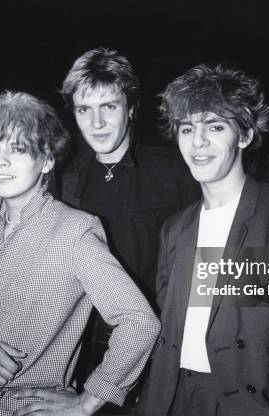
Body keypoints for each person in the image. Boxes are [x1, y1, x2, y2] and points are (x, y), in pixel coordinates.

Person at [137, 64, 269, 415]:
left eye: (215, 127)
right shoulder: (175, 228)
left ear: (245, 135)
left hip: (246, 402)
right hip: (170, 399)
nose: (198, 142)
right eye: (187, 129)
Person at [0, 91, 160, 416]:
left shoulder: (75, 231)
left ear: (46, 160)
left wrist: (89, 400)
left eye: (17, 149)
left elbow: (140, 323)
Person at [57, 47, 199, 408]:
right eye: (84, 110)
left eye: (109, 106)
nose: (98, 122)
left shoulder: (176, 172)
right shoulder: (64, 179)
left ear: (131, 108)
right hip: (85, 358)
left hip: (162, 351)